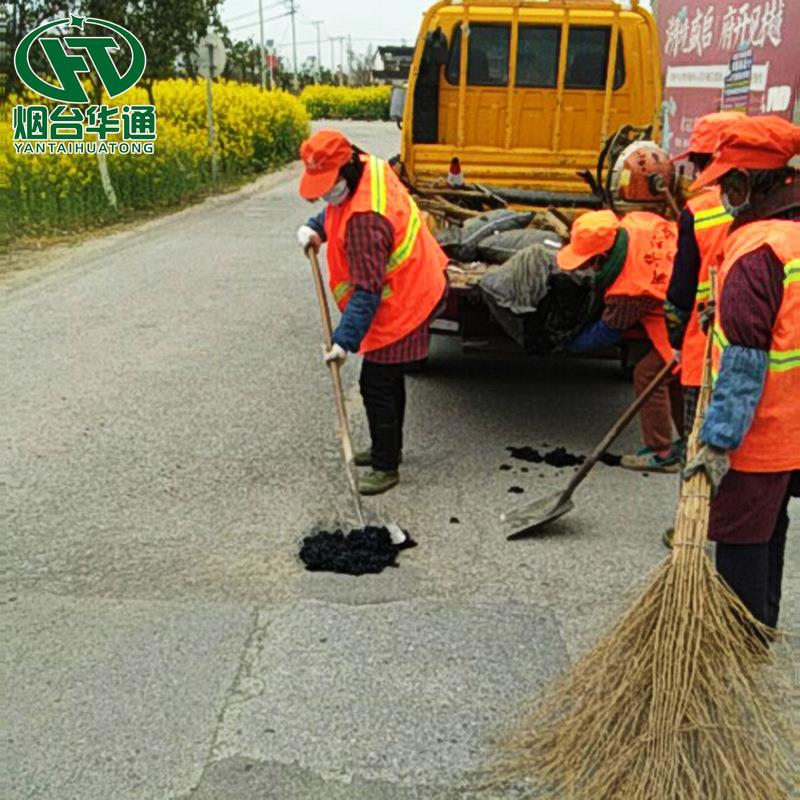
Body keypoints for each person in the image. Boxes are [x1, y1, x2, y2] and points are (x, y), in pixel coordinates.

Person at [684, 115, 800, 629]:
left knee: (740, 541)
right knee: (770, 528)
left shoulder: (756, 253)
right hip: (792, 430)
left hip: (762, 433)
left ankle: (739, 640)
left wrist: (718, 440)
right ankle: (762, 630)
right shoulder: (790, 237)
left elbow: (747, 359)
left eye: (729, 183)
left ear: (748, 183)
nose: (724, 195)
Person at [296, 130, 448, 496]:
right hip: (415, 280)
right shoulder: (368, 168)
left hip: (404, 300)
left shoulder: (366, 221)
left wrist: (342, 342)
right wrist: (316, 227)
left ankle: (386, 465)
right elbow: (336, 207)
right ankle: (388, 447)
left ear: (346, 167)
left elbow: (367, 291)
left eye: (329, 184)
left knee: (376, 384)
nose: (325, 194)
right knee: (389, 378)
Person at [557, 209, 683, 472]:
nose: (586, 268)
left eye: (589, 262)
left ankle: (661, 453)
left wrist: (570, 344)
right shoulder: (637, 221)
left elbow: (609, 330)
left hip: (690, 314)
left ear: (602, 257)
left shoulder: (630, 288)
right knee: (674, 376)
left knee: (650, 375)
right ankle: (689, 441)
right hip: (688, 290)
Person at [665, 111, 744, 438]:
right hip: (769, 356)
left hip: (706, 351)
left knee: (700, 449)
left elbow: (680, 294)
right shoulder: (778, 206)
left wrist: (675, 341)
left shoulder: (698, 211)